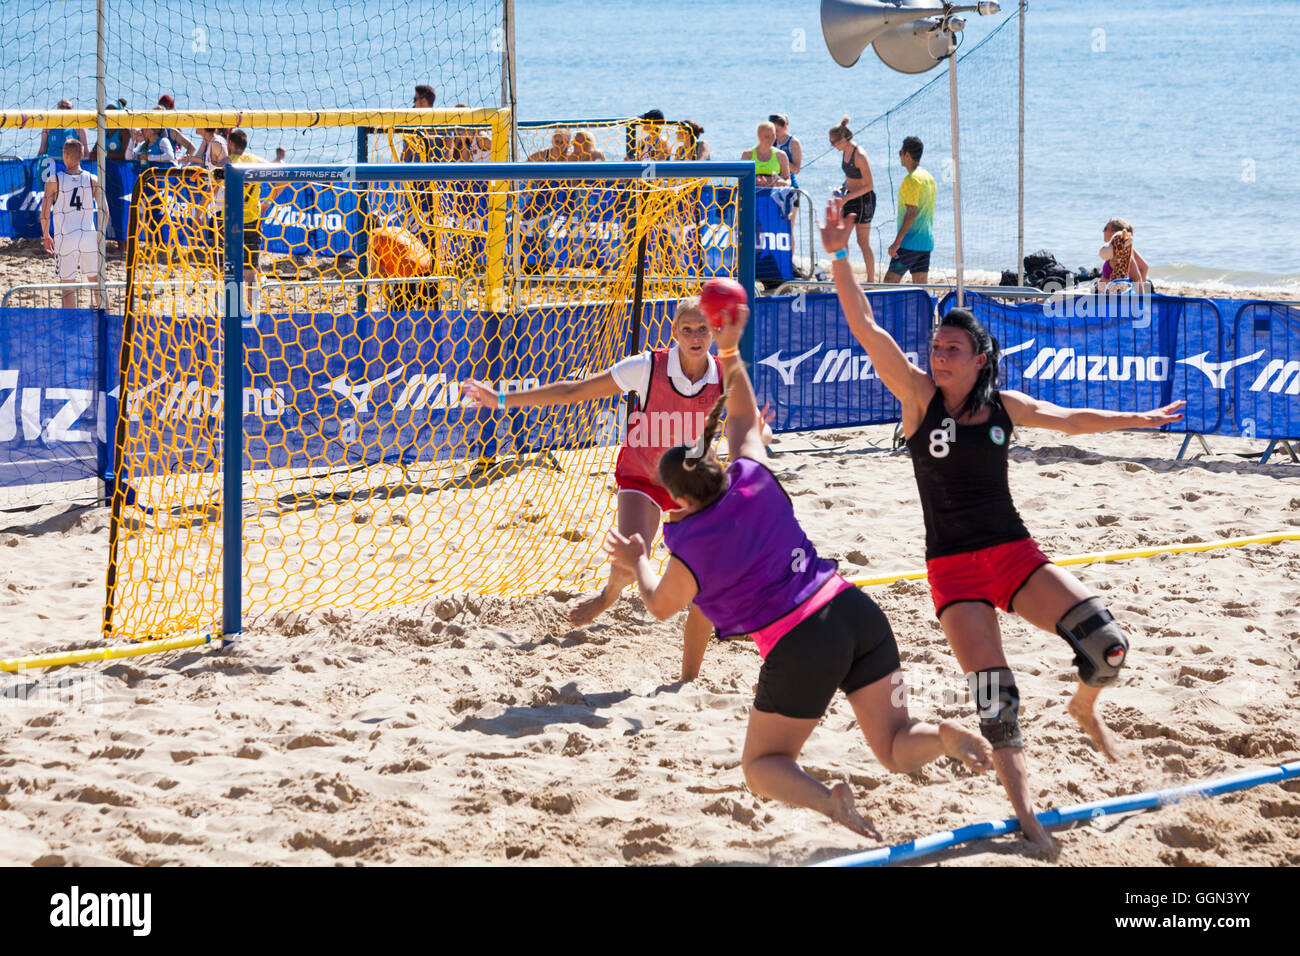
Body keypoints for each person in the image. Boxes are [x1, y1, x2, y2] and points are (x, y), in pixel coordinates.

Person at [820, 195, 1186, 848]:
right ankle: (1027, 819)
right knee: (998, 699)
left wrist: (1140, 421)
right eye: (935, 348)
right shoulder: (916, 397)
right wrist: (839, 253)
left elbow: (1071, 419)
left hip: (1014, 555)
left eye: (952, 350)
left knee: (1107, 646)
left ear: (980, 359)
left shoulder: (1002, 407)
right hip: (954, 571)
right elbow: (866, 326)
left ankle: (1083, 709)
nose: (939, 358)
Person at [603, 301, 993, 836]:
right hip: (855, 610)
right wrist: (730, 349)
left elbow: (658, 606)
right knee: (897, 746)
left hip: (801, 642)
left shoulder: (689, 538)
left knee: (761, 768)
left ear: (678, 499)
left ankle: (831, 802)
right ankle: (944, 736)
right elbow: (741, 417)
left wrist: (638, 560)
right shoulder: (751, 475)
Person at [462, 299, 746, 679]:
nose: (696, 337)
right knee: (631, 554)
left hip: (690, 485)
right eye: (687, 330)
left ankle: (688, 679)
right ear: (674, 333)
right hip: (642, 475)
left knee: (706, 580)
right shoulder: (647, 367)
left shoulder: (725, 373)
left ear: (713, 332)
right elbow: (572, 393)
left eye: (703, 329)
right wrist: (499, 399)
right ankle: (608, 596)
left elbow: (742, 428)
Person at [40, 139, 104, 309]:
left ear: (65, 155)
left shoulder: (54, 180)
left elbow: (45, 214)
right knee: (97, 284)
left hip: (65, 237)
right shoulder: (93, 179)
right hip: (88, 235)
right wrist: (100, 233)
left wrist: (46, 236)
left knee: (68, 288)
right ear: (82, 155)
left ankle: (71, 328)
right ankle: (108, 320)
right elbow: (105, 210)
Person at [884, 136, 936, 285]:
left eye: (900, 152)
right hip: (925, 244)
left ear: (907, 155)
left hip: (908, 245)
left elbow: (911, 212)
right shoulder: (929, 178)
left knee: (889, 282)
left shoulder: (912, 179)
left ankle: (891, 310)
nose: (899, 155)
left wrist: (897, 242)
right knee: (920, 287)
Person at [828, 117, 875, 280]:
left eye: (833, 143)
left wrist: (848, 197)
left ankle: (871, 279)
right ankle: (843, 275)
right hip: (848, 197)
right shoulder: (845, 152)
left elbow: (869, 185)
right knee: (841, 239)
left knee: (862, 242)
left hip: (863, 200)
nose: (832, 146)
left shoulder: (860, 155)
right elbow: (851, 177)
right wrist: (842, 188)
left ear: (843, 139)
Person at [1097, 217, 1148, 290]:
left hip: (1118, 296)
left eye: (1105, 228)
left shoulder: (1122, 254)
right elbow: (1144, 267)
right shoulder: (1118, 251)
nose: (1103, 231)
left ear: (1115, 232)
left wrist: (1105, 283)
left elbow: (1137, 278)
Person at [770, 113, 801, 220]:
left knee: (788, 230)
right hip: (773, 189)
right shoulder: (772, 141)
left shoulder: (793, 143)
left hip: (790, 190)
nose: (774, 133)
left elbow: (797, 169)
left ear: (785, 127)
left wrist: (782, 160)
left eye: (777, 130)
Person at [741, 121, 790, 188]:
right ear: (759, 136)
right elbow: (741, 180)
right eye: (767, 137)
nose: (771, 139)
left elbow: (788, 180)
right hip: (754, 194)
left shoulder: (781, 155)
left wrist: (783, 183)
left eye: (773, 135)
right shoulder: (747, 155)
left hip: (773, 195)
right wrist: (754, 181)